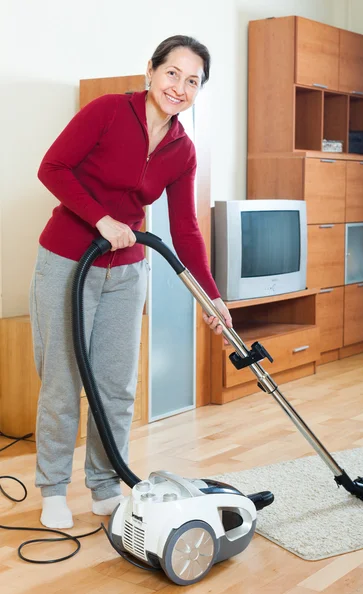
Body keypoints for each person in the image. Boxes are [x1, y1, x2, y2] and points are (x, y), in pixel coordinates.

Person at [30, 35, 232, 529]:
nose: (179, 87)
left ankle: (103, 484)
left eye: (192, 81)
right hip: (66, 260)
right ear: (151, 70)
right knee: (62, 383)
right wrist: (100, 220)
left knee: (117, 386)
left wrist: (211, 295)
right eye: (172, 74)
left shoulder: (183, 149)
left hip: (126, 270)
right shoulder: (107, 112)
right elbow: (51, 168)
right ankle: (53, 488)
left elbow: (185, 228)